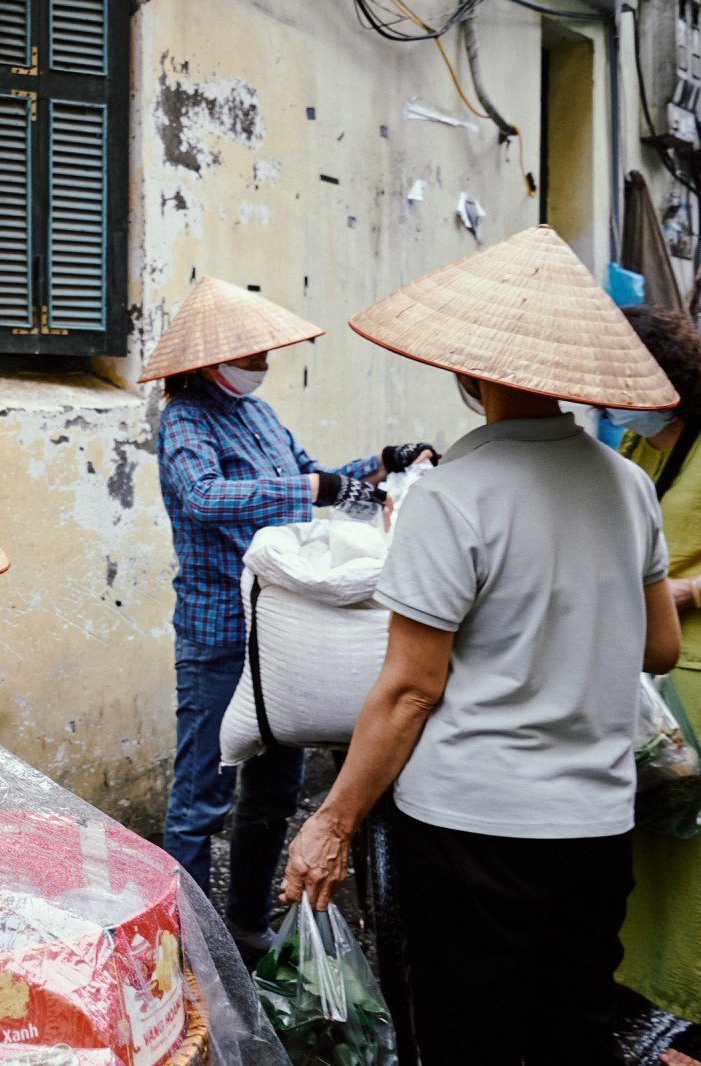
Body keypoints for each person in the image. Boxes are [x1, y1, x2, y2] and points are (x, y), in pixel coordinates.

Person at [280, 225, 683, 1065]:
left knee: (473, 1037)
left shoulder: (452, 495)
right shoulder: (629, 485)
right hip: (597, 822)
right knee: (575, 1032)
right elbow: (660, 648)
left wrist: (333, 821)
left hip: (473, 828)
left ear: (469, 373)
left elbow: (410, 689)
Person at [136, 275, 436, 960]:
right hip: (219, 631)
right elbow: (205, 496)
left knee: (274, 793)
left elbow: (315, 474)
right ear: (212, 357)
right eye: (252, 353)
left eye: (266, 351)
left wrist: (382, 463)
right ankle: (179, 953)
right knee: (203, 798)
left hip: (283, 636)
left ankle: (245, 924)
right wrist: (311, 487)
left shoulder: (258, 414)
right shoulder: (185, 419)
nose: (263, 363)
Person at [614, 303, 701, 1024]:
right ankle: (647, 988)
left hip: (694, 669)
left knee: (692, 848)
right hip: (642, 672)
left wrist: (687, 589)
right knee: (650, 835)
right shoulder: (634, 445)